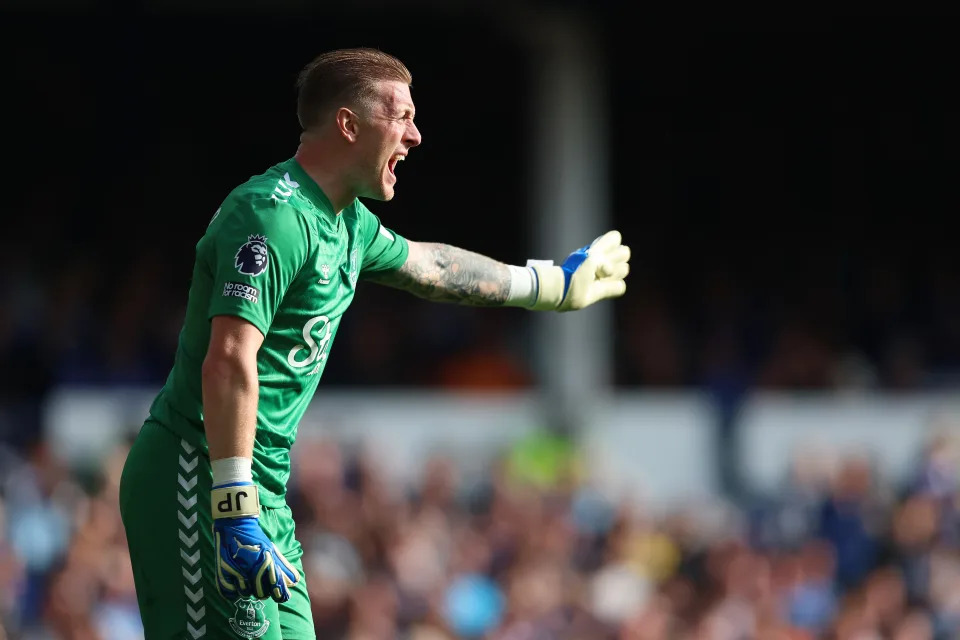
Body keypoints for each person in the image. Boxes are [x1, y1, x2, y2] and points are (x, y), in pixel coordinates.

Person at [118, 47, 630, 639]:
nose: (414, 135)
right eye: (401, 116)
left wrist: (550, 285)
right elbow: (230, 358)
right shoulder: (271, 214)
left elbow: (430, 267)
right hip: (198, 471)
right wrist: (233, 505)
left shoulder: (348, 223)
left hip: (260, 489)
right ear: (348, 123)